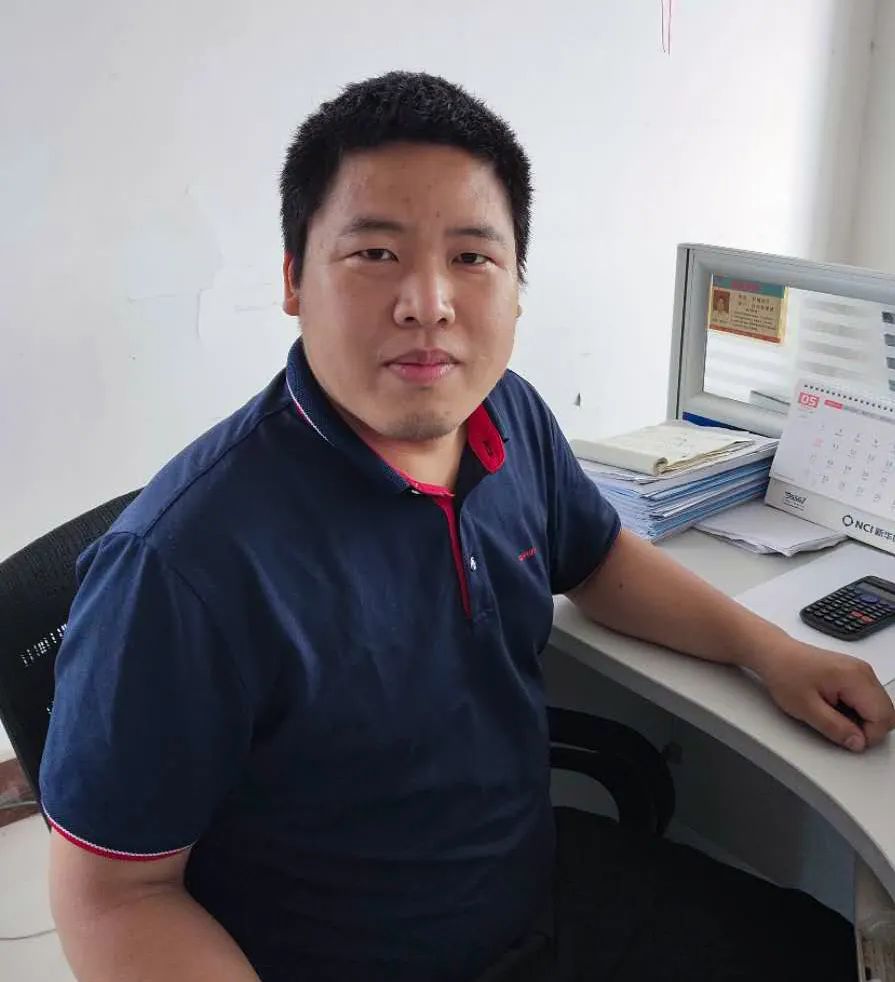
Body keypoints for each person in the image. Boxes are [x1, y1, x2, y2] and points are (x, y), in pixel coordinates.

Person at [40, 72, 894, 982]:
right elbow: (115, 897)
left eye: (472, 257)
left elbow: (596, 559)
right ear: (293, 281)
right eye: (375, 253)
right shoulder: (180, 566)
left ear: (517, 285)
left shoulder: (507, 413)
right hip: (348, 958)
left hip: (535, 889)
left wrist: (770, 652)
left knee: (831, 954)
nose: (428, 302)